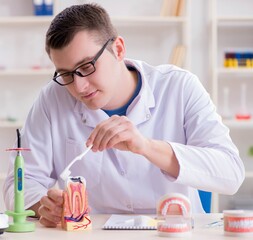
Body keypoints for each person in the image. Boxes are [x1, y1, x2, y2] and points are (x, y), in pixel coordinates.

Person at [4, 3, 245, 228]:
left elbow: (231, 174)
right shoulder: (52, 99)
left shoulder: (179, 87)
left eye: (87, 67)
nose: (79, 87)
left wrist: (147, 147)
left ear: (118, 49)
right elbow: (19, 182)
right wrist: (43, 205)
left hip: (171, 230)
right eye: (66, 74)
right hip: (95, 233)